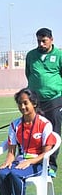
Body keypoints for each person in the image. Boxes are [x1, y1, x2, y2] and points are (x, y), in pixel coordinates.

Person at [0, 88, 57, 195]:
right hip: (20, 162)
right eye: (19, 104)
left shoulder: (44, 124)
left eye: (25, 103)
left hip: (38, 164)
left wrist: (30, 161)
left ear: (34, 103)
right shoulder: (15, 125)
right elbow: (11, 152)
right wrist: (7, 162)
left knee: (15, 174)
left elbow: (46, 154)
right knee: (1, 174)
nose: (22, 107)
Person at [25, 27, 62, 176]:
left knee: (52, 132)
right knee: (34, 131)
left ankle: (51, 165)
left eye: (44, 41)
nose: (41, 44)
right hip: (35, 101)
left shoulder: (59, 55)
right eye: (39, 41)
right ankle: (34, 162)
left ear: (51, 40)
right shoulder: (31, 55)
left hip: (54, 100)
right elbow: (29, 74)